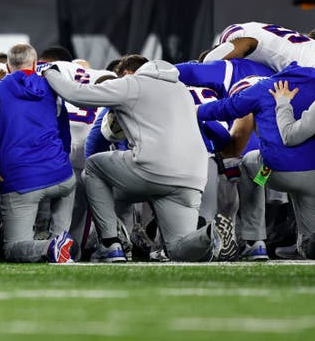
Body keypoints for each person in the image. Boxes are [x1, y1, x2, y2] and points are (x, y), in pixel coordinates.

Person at [41, 55, 232, 262]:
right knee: (177, 248)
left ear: (128, 73)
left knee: (94, 167)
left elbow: (76, 94)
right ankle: (209, 235)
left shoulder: (132, 84)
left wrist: (49, 72)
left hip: (152, 169)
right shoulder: (182, 90)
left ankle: (110, 244)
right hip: (193, 176)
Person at [196, 67, 315, 259]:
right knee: (309, 244)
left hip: (278, 171)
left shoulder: (264, 87)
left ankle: (254, 240)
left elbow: (289, 136)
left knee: (248, 163)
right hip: (311, 177)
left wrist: (196, 110)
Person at [0, 44, 75, 263]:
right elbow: (64, 131)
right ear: (34, 63)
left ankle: (52, 246)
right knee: (68, 186)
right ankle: (61, 240)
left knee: (12, 248)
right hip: (62, 175)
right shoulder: (52, 89)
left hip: (22, 180)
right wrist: (60, 159)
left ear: (8, 67)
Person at [203, 22, 315, 71]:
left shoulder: (234, 37)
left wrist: (208, 65)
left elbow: (247, 42)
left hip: (309, 65)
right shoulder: (250, 27)